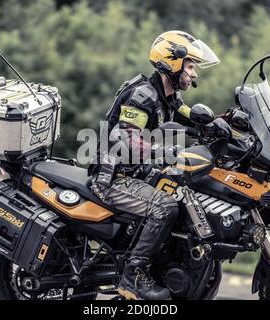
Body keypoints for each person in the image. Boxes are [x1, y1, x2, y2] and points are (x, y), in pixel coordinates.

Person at [88, 30, 220, 300]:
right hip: (113, 178)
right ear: (171, 63)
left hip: (138, 176)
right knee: (165, 206)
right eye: (190, 66)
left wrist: (225, 124)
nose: (194, 74)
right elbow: (125, 137)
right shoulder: (142, 96)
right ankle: (133, 275)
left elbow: (193, 118)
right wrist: (166, 152)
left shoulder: (169, 97)